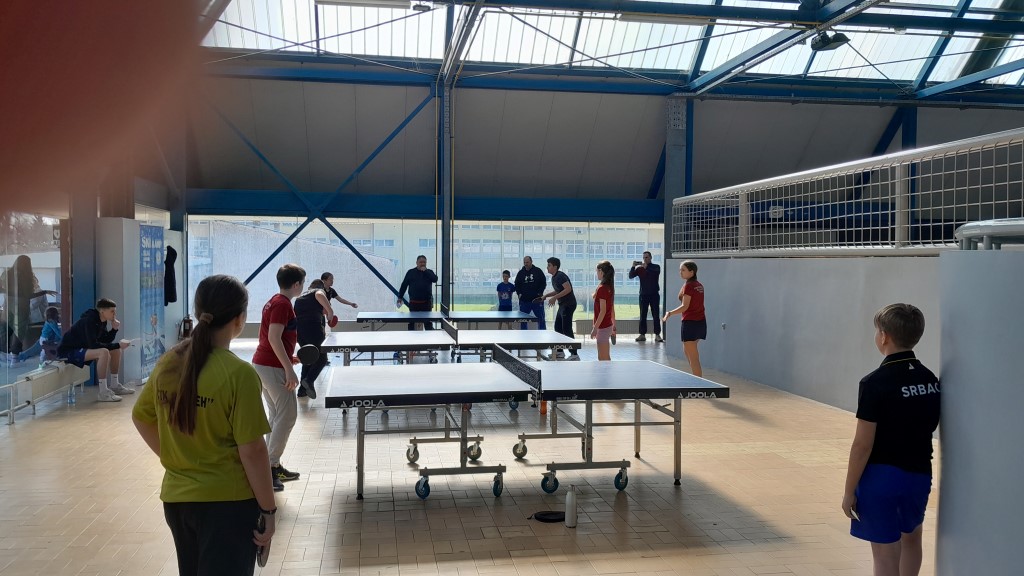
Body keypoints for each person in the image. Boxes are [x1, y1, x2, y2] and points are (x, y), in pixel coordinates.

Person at [132, 274, 277, 576]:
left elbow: (141, 417)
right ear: (239, 319)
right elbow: (252, 450)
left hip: (178, 500)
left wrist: (178, 459)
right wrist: (268, 509)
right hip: (227, 504)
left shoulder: (169, 362)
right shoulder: (238, 374)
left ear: (198, 313)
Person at [842, 304, 940, 576]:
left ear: (884, 336)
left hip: (881, 479)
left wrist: (849, 491)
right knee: (912, 539)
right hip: (919, 475)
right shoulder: (929, 379)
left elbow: (862, 445)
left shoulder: (874, 382)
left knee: (885, 554)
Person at [251, 263, 305, 492]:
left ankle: (270, 465)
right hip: (271, 366)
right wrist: (288, 368)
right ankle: (270, 467)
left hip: (264, 364)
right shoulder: (283, 304)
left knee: (276, 415)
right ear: (296, 284)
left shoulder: (275, 301)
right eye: (302, 283)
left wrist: (289, 358)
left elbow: (270, 337)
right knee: (288, 415)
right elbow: (273, 337)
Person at [57, 298, 133, 401]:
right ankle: (103, 392)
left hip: (83, 348)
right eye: (112, 311)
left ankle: (114, 385)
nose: (115, 314)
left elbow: (105, 340)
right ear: (102, 311)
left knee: (116, 350)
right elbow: (93, 345)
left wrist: (114, 329)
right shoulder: (89, 321)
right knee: (104, 352)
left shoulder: (102, 321)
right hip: (68, 352)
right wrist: (118, 344)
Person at [663, 261, 705, 377]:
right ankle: (697, 379)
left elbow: (684, 306)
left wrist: (670, 313)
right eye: (680, 270)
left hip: (691, 323)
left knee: (693, 357)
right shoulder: (698, 285)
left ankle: (699, 384)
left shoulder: (689, 286)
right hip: (700, 323)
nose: (680, 272)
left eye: (683, 270)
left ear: (692, 272)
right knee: (688, 352)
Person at [293, 279, 333, 400]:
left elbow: (320, 310)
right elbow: (324, 303)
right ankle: (309, 380)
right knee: (322, 358)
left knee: (308, 358)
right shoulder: (318, 292)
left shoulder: (300, 297)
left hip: (299, 331)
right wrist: (330, 314)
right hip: (313, 329)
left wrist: (324, 311)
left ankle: (302, 391)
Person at [541, 257, 580, 361]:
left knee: (566, 329)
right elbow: (558, 290)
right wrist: (547, 296)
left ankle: (574, 354)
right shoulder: (554, 277)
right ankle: (559, 352)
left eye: (549, 265)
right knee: (558, 327)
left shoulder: (560, 276)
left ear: (555, 267)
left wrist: (554, 298)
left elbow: (568, 289)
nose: (547, 267)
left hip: (568, 305)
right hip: (563, 305)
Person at [629, 251, 663, 343]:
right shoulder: (640, 269)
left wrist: (646, 267)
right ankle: (642, 335)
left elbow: (654, 274)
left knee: (655, 314)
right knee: (642, 314)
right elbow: (631, 276)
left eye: (647, 257)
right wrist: (633, 266)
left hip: (654, 294)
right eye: (644, 257)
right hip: (643, 295)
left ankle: (657, 335)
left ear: (651, 257)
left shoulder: (656, 267)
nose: (645, 259)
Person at [397, 255, 438, 331]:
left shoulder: (429, 272)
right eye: (420, 262)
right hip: (414, 303)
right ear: (416, 263)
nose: (422, 264)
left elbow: (435, 279)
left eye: (424, 262)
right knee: (411, 323)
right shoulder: (410, 272)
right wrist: (400, 297)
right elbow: (404, 285)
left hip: (426, 303)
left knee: (428, 324)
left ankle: (430, 338)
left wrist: (426, 271)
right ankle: (411, 337)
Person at [590, 260, 616, 361]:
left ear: (601, 272)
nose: (596, 273)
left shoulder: (602, 288)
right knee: (604, 358)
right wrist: (614, 326)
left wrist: (595, 329)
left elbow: (603, 311)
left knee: (603, 358)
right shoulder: (609, 287)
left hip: (603, 327)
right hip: (607, 326)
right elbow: (612, 308)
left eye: (597, 271)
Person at [514, 256, 547, 331]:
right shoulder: (520, 273)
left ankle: (543, 335)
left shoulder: (538, 271)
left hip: (537, 300)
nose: (526, 264)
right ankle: (524, 336)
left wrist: (540, 293)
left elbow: (543, 283)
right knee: (523, 320)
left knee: (541, 319)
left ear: (531, 262)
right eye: (524, 262)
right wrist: (519, 294)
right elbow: (516, 284)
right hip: (524, 301)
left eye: (527, 262)